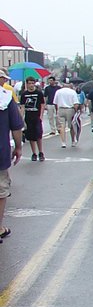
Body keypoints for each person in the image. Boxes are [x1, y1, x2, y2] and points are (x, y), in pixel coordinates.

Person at [0, 75, 24, 243]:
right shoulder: (5, 97)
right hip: (0, 152)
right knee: (0, 191)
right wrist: (18, 147)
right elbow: (16, 126)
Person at [20, 76, 45, 161]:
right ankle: (34, 153)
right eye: (29, 83)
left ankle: (41, 152)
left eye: (32, 83)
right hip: (28, 117)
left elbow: (42, 105)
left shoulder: (39, 93)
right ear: (26, 84)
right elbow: (22, 107)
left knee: (38, 135)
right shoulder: (24, 94)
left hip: (37, 116)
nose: (31, 85)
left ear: (34, 83)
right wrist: (21, 117)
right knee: (31, 136)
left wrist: (41, 116)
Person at [53, 80, 79, 148]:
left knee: (62, 126)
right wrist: (76, 111)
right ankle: (73, 141)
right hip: (70, 109)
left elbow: (55, 103)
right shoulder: (72, 92)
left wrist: (57, 110)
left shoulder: (58, 91)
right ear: (70, 84)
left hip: (61, 108)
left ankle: (63, 142)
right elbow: (76, 103)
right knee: (72, 126)